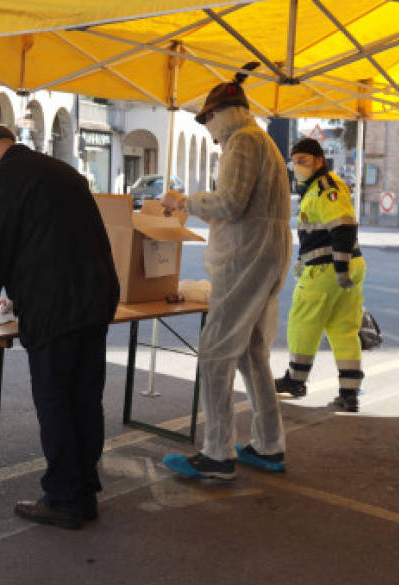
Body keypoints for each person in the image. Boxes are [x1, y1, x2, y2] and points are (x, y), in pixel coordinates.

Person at [0, 124, 120, 529]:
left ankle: (64, 499)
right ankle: (83, 490)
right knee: (85, 400)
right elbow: (54, 241)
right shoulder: (62, 170)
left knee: (55, 402)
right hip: (95, 301)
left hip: (56, 310)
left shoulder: (4, 180)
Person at [160, 67, 292, 480]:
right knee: (252, 353)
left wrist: (185, 201)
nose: (209, 131)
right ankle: (269, 445)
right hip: (265, 254)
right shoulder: (263, 141)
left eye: (208, 120)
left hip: (245, 256)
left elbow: (231, 202)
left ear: (222, 113)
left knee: (216, 352)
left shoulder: (243, 141)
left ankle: (217, 453)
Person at [275, 138, 366, 412]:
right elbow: (321, 231)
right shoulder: (315, 189)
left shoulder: (326, 188)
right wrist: (304, 259)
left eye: (304, 161)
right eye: (295, 162)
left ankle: (296, 381)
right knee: (343, 329)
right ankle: (349, 392)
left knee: (302, 321)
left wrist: (339, 268)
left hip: (328, 269)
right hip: (341, 266)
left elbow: (343, 226)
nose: (298, 166)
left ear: (319, 161)